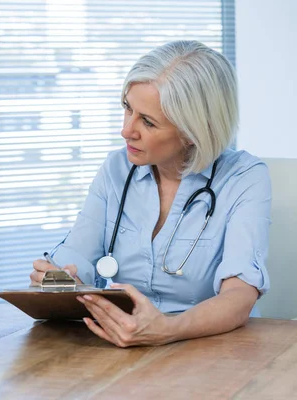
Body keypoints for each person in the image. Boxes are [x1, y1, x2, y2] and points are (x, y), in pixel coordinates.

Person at [30, 41, 271, 348]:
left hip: (210, 347)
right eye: (127, 109)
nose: (126, 131)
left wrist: (167, 329)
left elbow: (239, 295)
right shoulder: (117, 169)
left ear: (192, 130)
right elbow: (77, 255)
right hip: (122, 341)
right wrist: (61, 280)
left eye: (147, 121)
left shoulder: (243, 177)